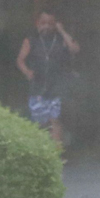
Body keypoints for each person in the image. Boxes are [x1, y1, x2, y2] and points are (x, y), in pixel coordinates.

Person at [16, 10, 79, 148]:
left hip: (57, 86)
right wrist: (27, 72)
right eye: (43, 23)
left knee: (55, 120)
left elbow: (74, 49)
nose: (46, 27)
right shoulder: (31, 40)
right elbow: (20, 60)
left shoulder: (61, 39)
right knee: (39, 122)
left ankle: (56, 155)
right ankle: (41, 154)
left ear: (55, 24)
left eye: (50, 24)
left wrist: (61, 31)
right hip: (37, 86)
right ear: (37, 23)